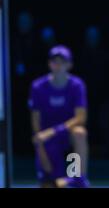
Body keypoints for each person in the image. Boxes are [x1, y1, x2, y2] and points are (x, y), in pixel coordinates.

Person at [28, 45, 90, 188]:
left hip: (65, 134)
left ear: (69, 65)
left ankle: (78, 177)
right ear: (49, 64)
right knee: (50, 183)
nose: (58, 65)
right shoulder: (37, 86)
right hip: (47, 138)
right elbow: (36, 121)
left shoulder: (77, 85)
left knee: (80, 133)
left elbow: (80, 118)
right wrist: (40, 144)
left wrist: (55, 131)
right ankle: (54, 176)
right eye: (55, 61)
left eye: (62, 62)